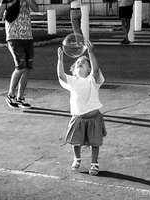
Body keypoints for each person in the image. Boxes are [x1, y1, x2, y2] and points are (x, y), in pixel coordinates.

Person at [57, 41, 107, 176]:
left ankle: (94, 164)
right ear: (74, 69)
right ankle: (77, 158)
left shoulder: (93, 80)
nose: (80, 63)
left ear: (89, 69)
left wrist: (90, 52)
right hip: (78, 118)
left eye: (84, 63)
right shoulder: (73, 81)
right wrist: (60, 60)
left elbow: (96, 69)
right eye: (78, 63)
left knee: (95, 143)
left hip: (94, 117)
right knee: (75, 141)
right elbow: (61, 75)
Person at [0, 0, 38, 108]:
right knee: (21, 66)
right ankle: (10, 95)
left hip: (28, 36)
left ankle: (20, 98)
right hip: (13, 36)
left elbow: (36, 8)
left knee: (27, 68)